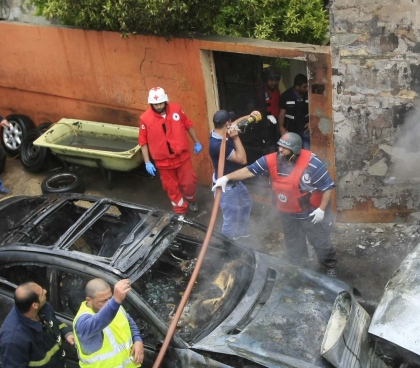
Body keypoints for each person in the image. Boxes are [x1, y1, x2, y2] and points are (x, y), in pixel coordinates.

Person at [213, 132, 337, 277]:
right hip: (287, 212)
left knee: (320, 241)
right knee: (293, 241)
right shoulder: (271, 160)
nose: (280, 150)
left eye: (284, 148)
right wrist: (226, 178)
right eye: (280, 146)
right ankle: (299, 266)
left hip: (310, 212)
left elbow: (327, 186)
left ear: (295, 150)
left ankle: (330, 266)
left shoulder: (312, 164)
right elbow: (249, 170)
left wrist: (321, 210)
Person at [139, 87, 203, 215]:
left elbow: (188, 125)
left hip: (182, 157)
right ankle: (180, 211)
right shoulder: (145, 119)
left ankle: (191, 200)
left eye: (161, 103)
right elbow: (143, 142)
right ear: (151, 103)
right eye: (156, 104)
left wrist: (197, 142)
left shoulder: (177, 110)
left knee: (189, 182)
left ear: (165, 101)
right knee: (171, 188)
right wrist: (147, 162)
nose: (158, 106)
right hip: (163, 162)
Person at [210, 109, 261, 240]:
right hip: (226, 188)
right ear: (227, 123)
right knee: (230, 220)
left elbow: (235, 124)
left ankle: (241, 231)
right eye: (230, 121)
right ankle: (227, 246)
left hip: (235, 182)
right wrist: (236, 137)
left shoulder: (219, 131)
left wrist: (249, 116)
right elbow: (242, 159)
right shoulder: (217, 145)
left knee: (246, 203)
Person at [279, 74, 310, 150]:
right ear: (297, 87)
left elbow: (315, 110)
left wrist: (311, 123)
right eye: (304, 87)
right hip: (291, 130)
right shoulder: (286, 96)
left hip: (305, 130)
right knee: (292, 153)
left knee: (306, 152)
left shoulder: (309, 95)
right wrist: (281, 128)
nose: (307, 89)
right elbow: (282, 113)